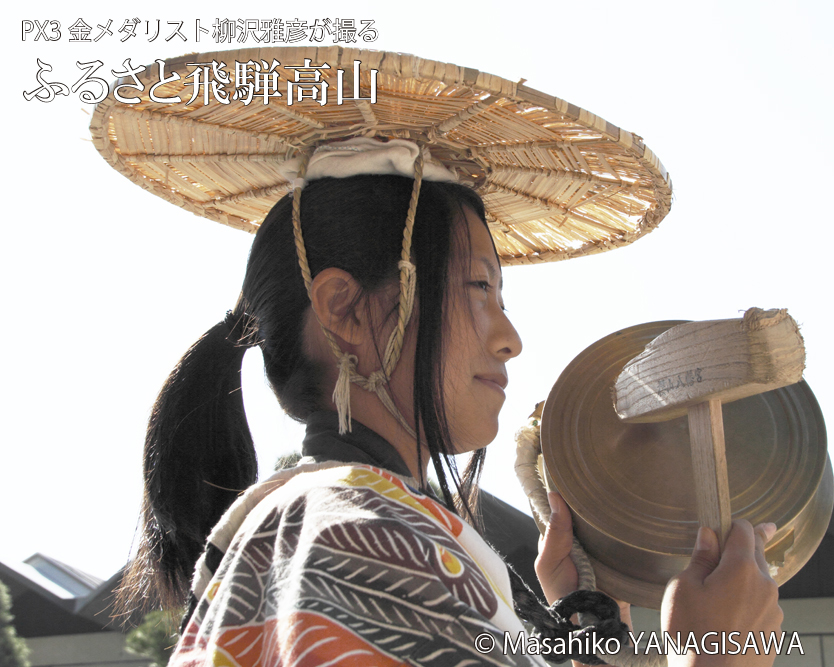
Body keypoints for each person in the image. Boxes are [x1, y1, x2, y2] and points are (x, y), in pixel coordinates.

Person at [119, 139, 782, 667]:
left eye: (504, 300)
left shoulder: (314, 528)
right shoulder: (362, 539)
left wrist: (588, 622)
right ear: (346, 309)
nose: (510, 337)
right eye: (478, 289)